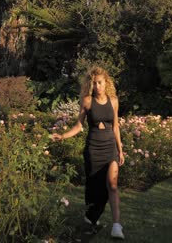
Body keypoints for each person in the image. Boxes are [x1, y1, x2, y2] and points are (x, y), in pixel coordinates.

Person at [52, 67, 125, 239]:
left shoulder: (113, 101)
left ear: (106, 83)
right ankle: (92, 217)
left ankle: (116, 225)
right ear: (90, 84)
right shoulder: (87, 101)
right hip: (93, 148)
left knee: (112, 185)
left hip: (110, 148)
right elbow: (79, 126)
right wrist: (62, 136)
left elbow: (115, 126)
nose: (98, 85)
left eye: (100, 82)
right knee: (94, 189)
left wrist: (120, 150)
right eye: (94, 83)